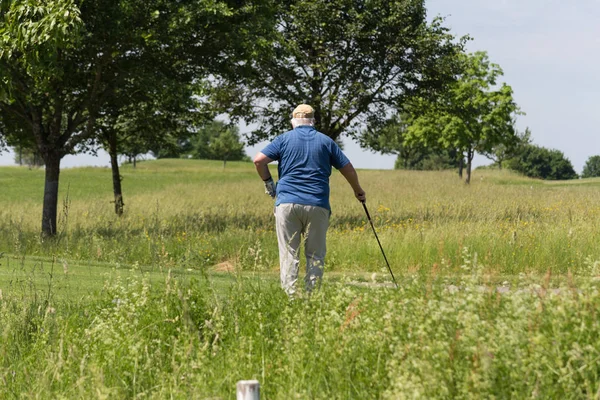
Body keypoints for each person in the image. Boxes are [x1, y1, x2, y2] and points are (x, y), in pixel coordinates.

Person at [253, 104, 366, 296]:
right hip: (318, 203)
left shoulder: (283, 139)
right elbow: (347, 168)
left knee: (289, 253)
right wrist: (358, 191)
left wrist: (269, 184)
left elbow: (259, 160)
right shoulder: (326, 141)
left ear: (293, 121)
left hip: (287, 202)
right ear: (313, 121)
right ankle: (311, 298)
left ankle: (290, 298)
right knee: (315, 254)